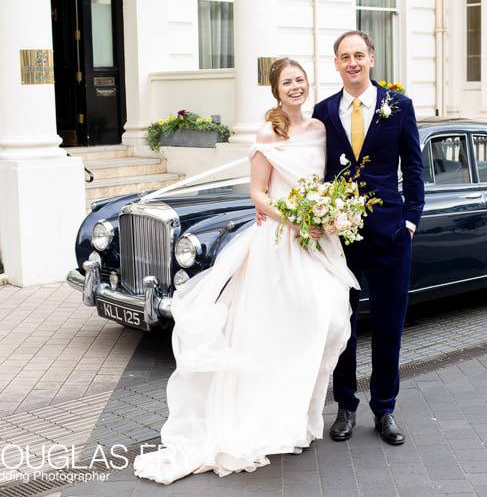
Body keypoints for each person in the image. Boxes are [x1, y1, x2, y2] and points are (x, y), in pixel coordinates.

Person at [133, 58, 358, 484]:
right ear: (276, 90)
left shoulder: (320, 129)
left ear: (308, 84)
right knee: (279, 329)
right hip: (280, 240)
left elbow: (325, 179)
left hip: (317, 239)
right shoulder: (268, 131)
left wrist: (329, 214)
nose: (295, 86)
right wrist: (295, 220)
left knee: (328, 319)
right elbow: (257, 193)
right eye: (286, 82)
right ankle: (268, 417)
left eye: (299, 80)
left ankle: (302, 416)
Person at [312, 30, 425, 445]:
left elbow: (414, 168)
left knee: (389, 325)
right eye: (345, 57)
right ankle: (344, 407)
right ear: (337, 64)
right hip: (339, 238)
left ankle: (385, 410)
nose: (353, 62)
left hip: (391, 234)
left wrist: (410, 220)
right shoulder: (323, 112)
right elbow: (315, 169)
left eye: (359, 55)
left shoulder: (399, 106)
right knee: (342, 325)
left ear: (372, 59)